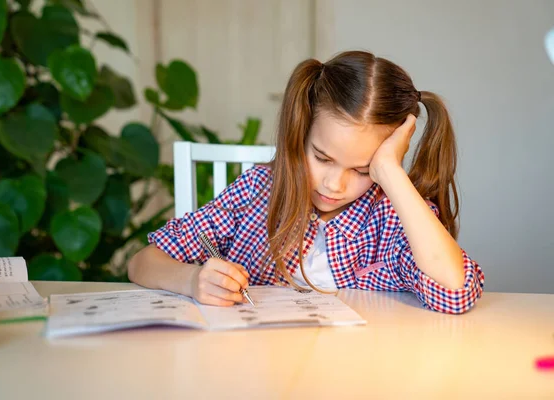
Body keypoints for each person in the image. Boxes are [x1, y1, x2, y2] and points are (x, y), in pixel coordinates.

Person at [128, 50, 485, 314]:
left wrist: (391, 174)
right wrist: (192, 281)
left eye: (362, 170)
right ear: (300, 134)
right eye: (322, 158)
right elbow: (142, 262)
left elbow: (454, 292)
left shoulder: (391, 216)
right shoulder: (258, 191)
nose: (334, 185)